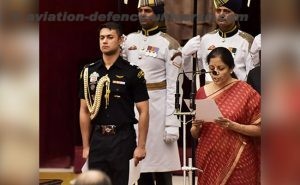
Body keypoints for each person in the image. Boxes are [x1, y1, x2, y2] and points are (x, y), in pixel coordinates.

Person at [78, 22, 149, 185]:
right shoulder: (89, 72)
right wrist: (85, 146)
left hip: (123, 139)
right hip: (98, 139)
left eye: (110, 37)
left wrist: (141, 146)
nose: (104, 41)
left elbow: (143, 110)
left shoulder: (133, 73)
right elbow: (84, 110)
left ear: (120, 40)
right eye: (102, 38)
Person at [122, 0, 182, 184]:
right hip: (132, 108)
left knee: (161, 166)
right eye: (140, 10)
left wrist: (172, 121)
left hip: (158, 109)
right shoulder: (129, 40)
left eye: (147, 10)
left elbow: (174, 86)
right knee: (139, 165)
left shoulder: (170, 44)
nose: (142, 14)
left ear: (157, 14)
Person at [190, 47, 261, 184]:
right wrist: (195, 127)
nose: (215, 73)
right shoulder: (202, 92)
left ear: (231, 68)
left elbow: (261, 129)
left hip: (239, 158)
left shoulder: (245, 91)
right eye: (211, 68)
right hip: (209, 158)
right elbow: (195, 134)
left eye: (220, 68)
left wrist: (233, 126)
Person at [182, 0, 254, 82]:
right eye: (218, 11)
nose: (221, 15)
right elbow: (191, 74)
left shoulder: (246, 41)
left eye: (226, 11)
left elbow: (252, 77)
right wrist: (186, 56)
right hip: (211, 92)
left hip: (237, 92)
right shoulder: (206, 39)